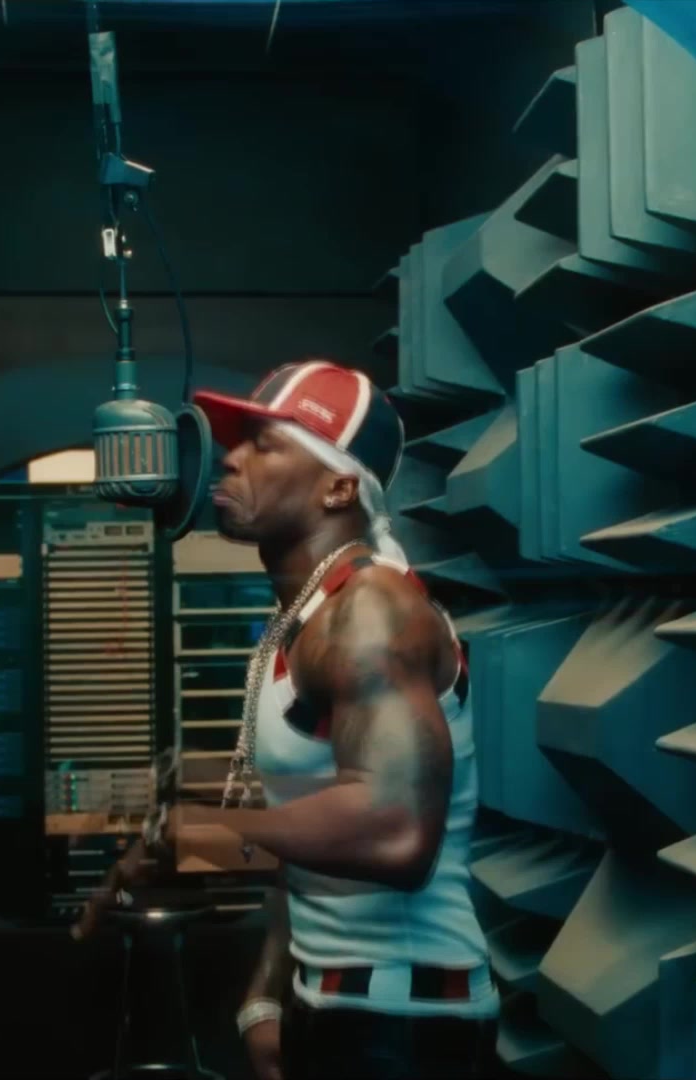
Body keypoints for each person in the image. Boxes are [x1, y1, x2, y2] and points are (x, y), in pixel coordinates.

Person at [79, 359, 499, 1080]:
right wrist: (267, 995)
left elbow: (395, 832)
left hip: (403, 1026)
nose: (229, 458)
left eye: (264, 444)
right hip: (332, 1003)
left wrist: (195, 835)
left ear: (338, 487)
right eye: (235, 441)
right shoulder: (302, 619)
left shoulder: (372, 612)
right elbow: (307, 826)